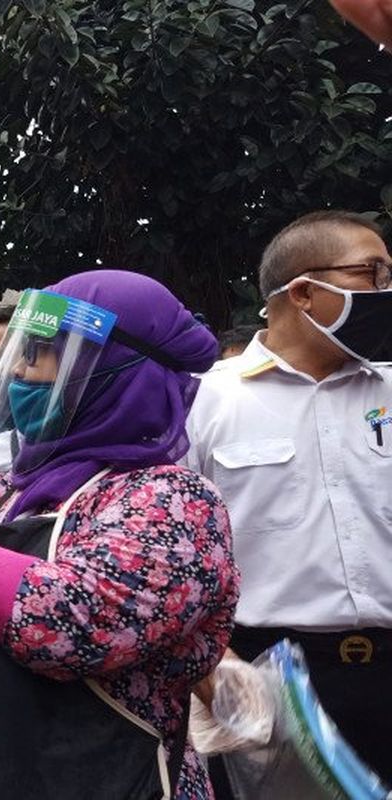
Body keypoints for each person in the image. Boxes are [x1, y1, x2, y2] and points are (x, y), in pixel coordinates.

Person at [0, 271, 239, 799]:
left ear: (116, 370)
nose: (20, 371)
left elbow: (62, 627)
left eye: (43, 352)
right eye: (21, 353)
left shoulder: (174, 500)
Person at [184, 211, 392, 788]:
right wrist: (216, 672)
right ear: (303, 291)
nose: (385, 291)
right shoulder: (206, 403)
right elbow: (178, 552)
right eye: (372, 273)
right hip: (264, 675)